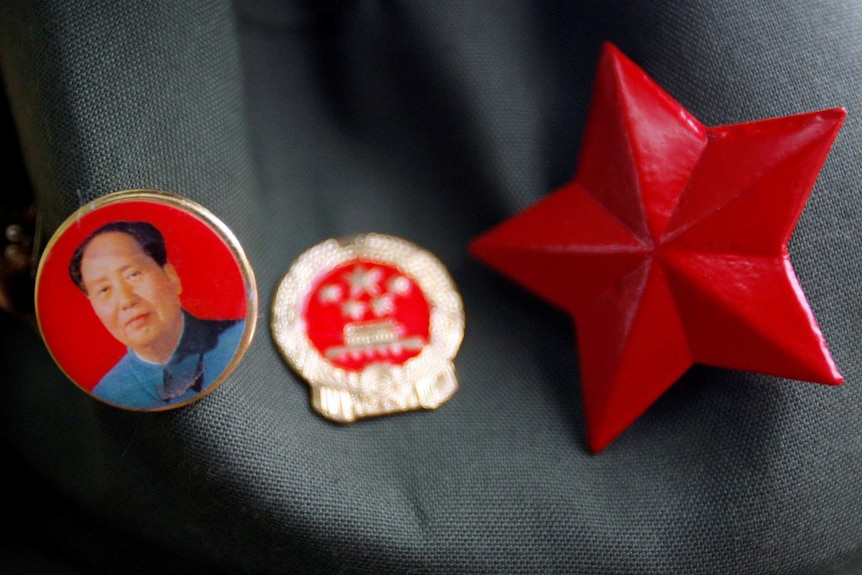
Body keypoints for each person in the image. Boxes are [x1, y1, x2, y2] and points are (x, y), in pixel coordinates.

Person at [68, 221, 245, 409]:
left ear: (170, 276)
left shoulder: (238, 339)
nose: (126, 300)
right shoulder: (107, 395)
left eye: (133, 275)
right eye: (104, 290)